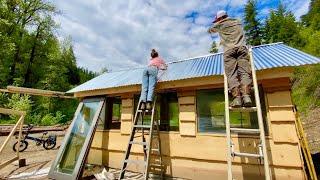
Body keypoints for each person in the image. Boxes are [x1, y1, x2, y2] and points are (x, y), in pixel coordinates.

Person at [208, 10, 253, 107]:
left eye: (217, 20)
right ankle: (246, 96)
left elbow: (210, 30)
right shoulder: (237, 21)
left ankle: (237, 99)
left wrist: (218, 24)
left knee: (231, 74)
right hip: (242, 48)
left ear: (220, 18)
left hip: (229, 51)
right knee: (245, 72)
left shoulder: (219, 24)